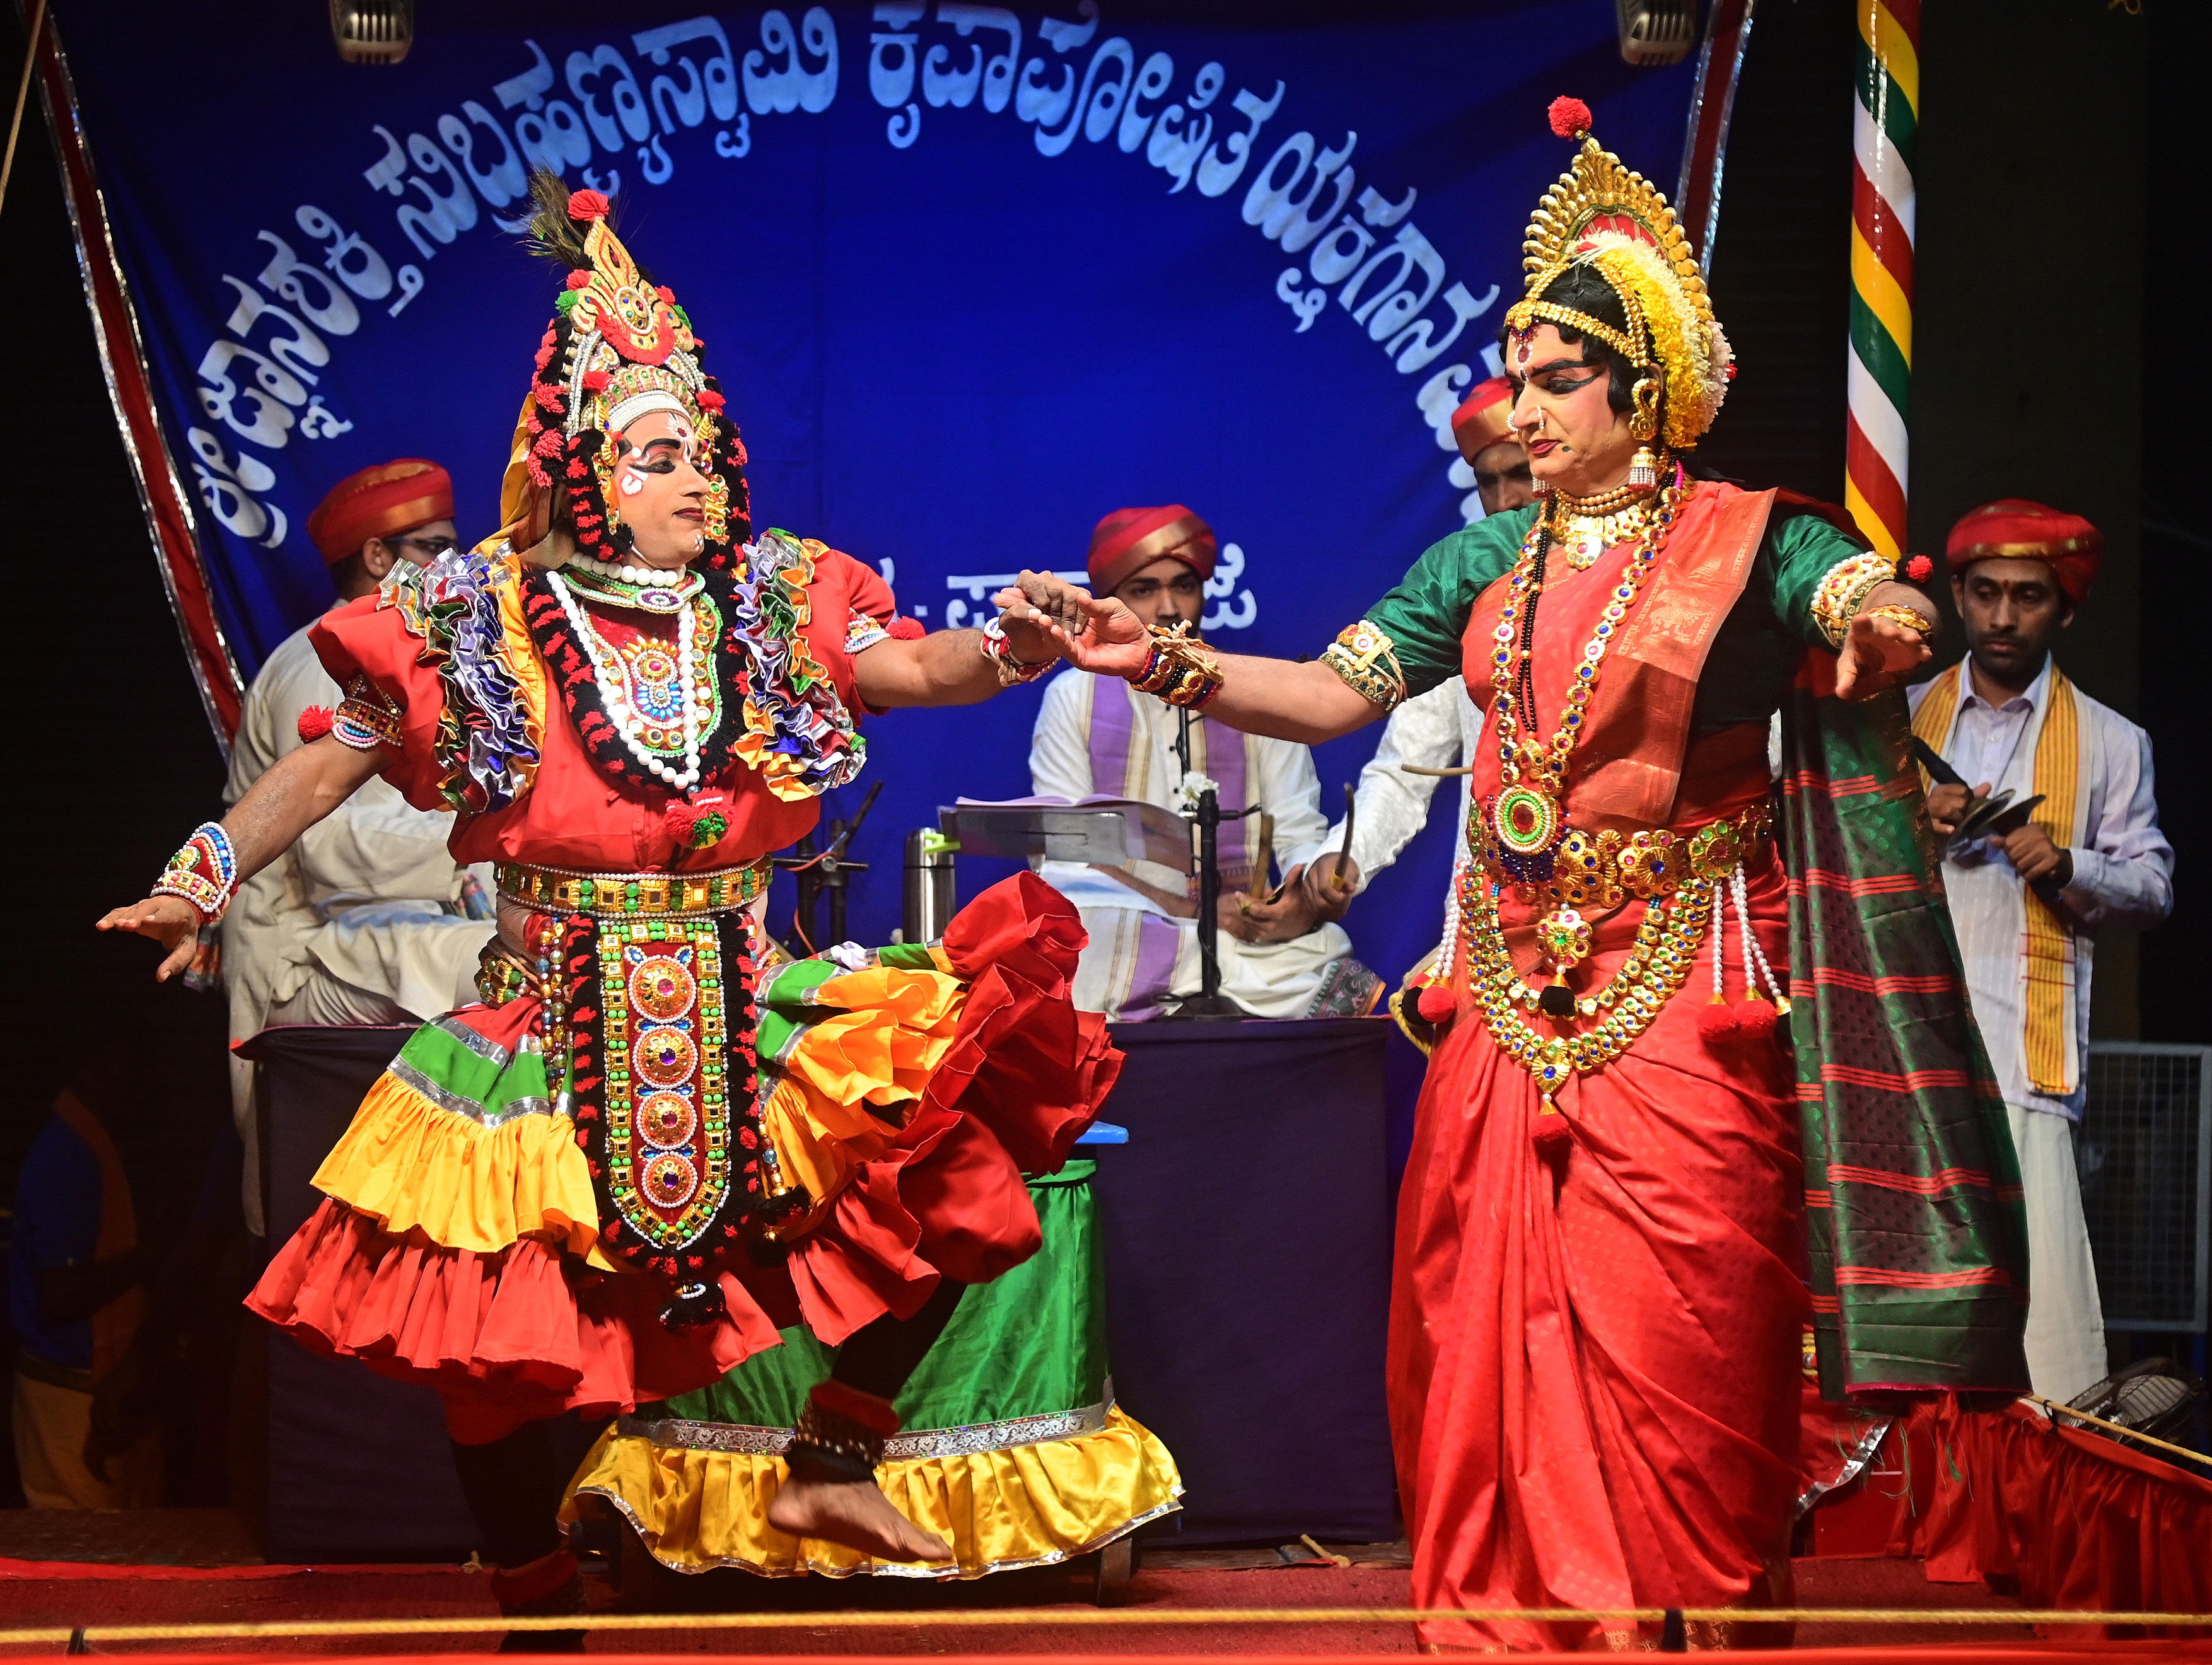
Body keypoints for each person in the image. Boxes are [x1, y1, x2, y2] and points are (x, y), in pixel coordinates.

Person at [1002, 98, 2027, 1650]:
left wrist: (1885, 611)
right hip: (1505, 989)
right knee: (1471, 1317)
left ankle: (1683, 1617)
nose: (1527, 408)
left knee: (1694, 1323)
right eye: (1522, 380)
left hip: (1685, 988)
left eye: (1561, 383)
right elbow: (1338, 694)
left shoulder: (1748, 540)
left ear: (1650, 389)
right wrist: (1166, 667)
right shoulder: (1486, 562)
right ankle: (1518, 1616)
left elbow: (1867, 595)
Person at [99, 174, 1115, 1640]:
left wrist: (1010, 653)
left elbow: (907, 666)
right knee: (486, 1349)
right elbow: (332, 759)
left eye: (702, 447)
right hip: (552, 1002)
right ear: (582, 472)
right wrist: (201, 871)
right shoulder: (476, 615)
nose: (695, 477)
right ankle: (532, 1602)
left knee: (949, 1150)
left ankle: (830, 1461)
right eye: (655, 454)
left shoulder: (772, 597)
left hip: (735, 975)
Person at [1910, 500, 2173, 1405]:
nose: (2003, 616)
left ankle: (2055, 1502)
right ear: (1957, 595)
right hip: (1907, 1051)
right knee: (1911, 1288)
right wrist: (1913, 818)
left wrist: (2070, 865)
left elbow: (2154, 889)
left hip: (2026, 1051)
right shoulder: (1894, 721)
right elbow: (1815, 852)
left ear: (2063, 610)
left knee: (2047, 1312)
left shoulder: (2107, 741)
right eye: (1984, 593)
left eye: (2028, 596)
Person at [222, 458, 496, 1238]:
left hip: (366, 924)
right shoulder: (322, 660)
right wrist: (480, 850)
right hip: (299, 950)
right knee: (507, 959)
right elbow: (330, 846)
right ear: (378, 559)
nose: (456, 564)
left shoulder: (407, 656)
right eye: (435, 547)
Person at [1028, 504, 1382, 1020]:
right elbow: (1063, 856)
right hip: (1126, 918)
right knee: (1072, 910)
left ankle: (1179, 976)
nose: (1169, 607)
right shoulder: (1072, 699)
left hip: (1243, 930)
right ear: (1110, 602)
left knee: (1319, 943)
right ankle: (1213, 971)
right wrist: (1192, 913)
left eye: (1184, 585)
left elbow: (1299, 832)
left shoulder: (1255, 691)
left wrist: (1302, 892)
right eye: (1144, 590)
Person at [1296, 380, 1531, 1031]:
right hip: (1489, 923)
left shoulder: (1651, 577)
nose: (1508, 501)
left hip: (1631, 916)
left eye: (1523, 474)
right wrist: (1347, 858)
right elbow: (1405, 768)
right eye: (1490, 482)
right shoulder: (1468, 592)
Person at [8, 1062, 161, 1509]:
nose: (142, 1081)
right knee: (87, 1555)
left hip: (94, 1383)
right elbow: (61, 1294)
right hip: (71, 1390)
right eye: (132, 1061)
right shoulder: (69, 1154)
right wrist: (147, 1258)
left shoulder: (96, 1148)